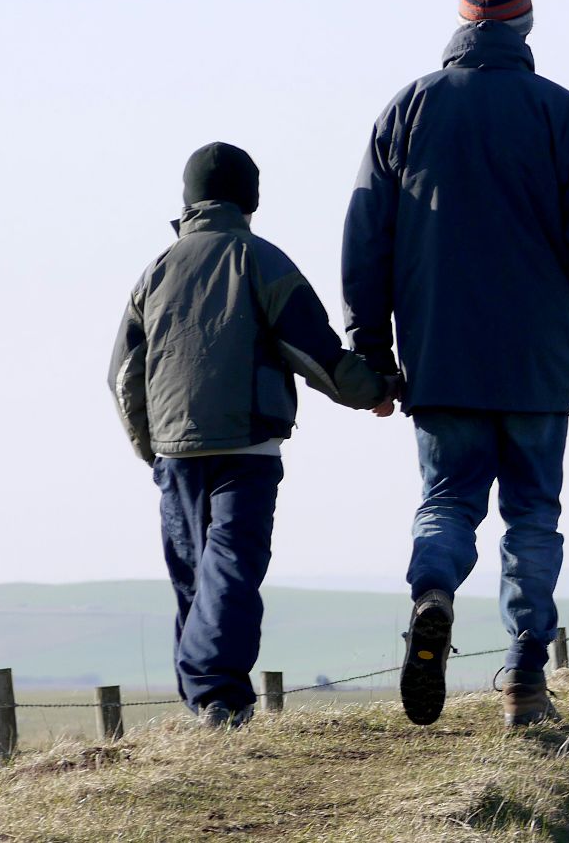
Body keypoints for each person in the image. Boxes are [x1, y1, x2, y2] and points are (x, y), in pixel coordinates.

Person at [342, 0, 569, 727]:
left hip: (442, 357)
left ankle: (432, 593)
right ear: (525, 27)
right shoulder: (565, 115)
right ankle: (525, 678)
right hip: (538, 361)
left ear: (462, 26)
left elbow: (366, 242)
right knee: (532, 514)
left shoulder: (407, 110)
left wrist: (373, 351)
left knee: (446, 502)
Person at [110, 142, 391, 726]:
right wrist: (375, 392)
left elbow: (123, 375)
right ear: (251, 197)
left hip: (174, 451)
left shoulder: (155, 271)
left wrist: (151, 448)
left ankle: (204, 703)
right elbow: (313, 352)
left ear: (188, 199)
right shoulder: (260, 260)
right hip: (247, 446)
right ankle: (219, 699)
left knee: (194, 577)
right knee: (231, 569)